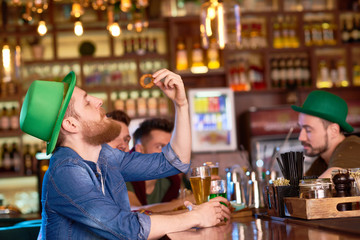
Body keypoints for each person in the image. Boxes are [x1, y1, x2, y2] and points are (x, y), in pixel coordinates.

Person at [19, 69, 230, 239]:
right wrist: (196, 217)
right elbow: (127, 229)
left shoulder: (105, 157)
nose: (98, 101)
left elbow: (175, 162)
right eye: (86, 101)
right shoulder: (66, 172)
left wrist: (181, 104)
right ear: (71, 124)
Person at [291, 90, 360, 178]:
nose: (301, 137)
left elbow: (319, 187)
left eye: (308, 130)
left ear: (333, 130)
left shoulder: (353, 148)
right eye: (301, 128)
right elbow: (302, 189)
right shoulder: (320, 163)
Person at [127, 118, 184, 209]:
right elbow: (138, 212)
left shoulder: (171, 180)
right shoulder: (124, 177)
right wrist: (182, 202)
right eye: (159, 146)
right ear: (140, 150)